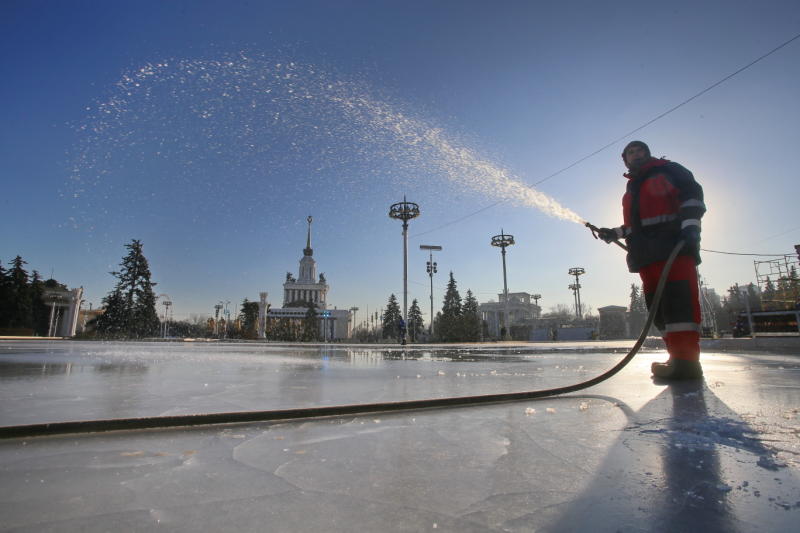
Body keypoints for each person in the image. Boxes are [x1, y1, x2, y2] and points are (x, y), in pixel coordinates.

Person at [597, 141, 706, 380]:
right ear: (625, 159)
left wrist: (690, 229)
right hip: (646, 255)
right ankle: (676, 358)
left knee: (680, 306)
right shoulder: (632, 187)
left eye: (640, 151)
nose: (636, 155)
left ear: (648, 153)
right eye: (631, 153)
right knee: (660, 311)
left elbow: (692, 198)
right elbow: (634, 225)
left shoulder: (669, 170)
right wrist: (613, 233)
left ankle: (687, 363)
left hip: (672, 248)